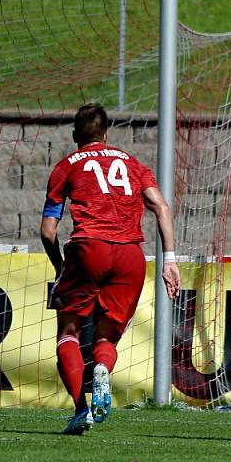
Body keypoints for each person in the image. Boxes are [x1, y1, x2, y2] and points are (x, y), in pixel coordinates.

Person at [40, 103, 180, 436]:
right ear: (106, 134)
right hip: (131, 255)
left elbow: (47, 230)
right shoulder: (133, 164)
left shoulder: (66, 166)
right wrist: (170, 260)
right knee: (106, 338)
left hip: (90, 248)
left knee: (69, 333)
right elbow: (161, 207)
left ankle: (80, 410)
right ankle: (102, 367)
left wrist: (61, 266)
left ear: (76, 135)